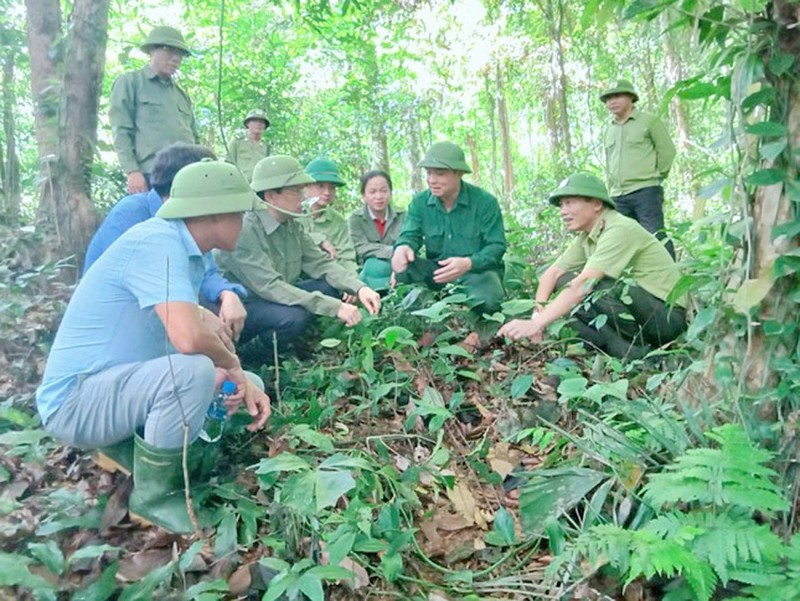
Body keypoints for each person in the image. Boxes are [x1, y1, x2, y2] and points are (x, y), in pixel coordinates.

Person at [36, 160, 272, 533]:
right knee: (195, 372)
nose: (244, 222)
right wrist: (232, 367)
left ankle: (136, 448)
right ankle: (154, 497)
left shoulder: (188, 251)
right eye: (239, 213)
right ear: (214, 213)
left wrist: (235, 377)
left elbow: (179, 335)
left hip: (117, 384)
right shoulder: (158, 243)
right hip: (75, 402)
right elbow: (188, 339)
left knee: (234, 382)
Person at [498, 173, 687, 359]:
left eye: (569, 202)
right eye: (561, 205)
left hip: (666, 317)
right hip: (643, 310)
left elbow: (583, 285)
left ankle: (639, 353)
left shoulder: (619, 229)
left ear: (596, 204)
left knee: (594, 285)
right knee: (564, 282)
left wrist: (537, 323)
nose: (563, 211)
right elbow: (553, 273)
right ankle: (624, 352)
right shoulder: (589, 235)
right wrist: (536, 317)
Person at [215, 155, 381, 361]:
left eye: (303, 190)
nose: (303, 197)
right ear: (271, 195)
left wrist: (359, 287)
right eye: (296, 191)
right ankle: (250, 356)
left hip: (274, 297)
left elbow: (321, 263)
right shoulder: (245, 230)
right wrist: (335, 307)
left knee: (330, 287)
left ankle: (298, 343)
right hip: (244, 306)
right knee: (293, 318)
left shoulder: (291, 224)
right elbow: (271, 287)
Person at [84, 143, 248, 343]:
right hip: (122, 319)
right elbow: (133, 285)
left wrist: (226, 293)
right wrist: (198, 313)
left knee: (226, 314)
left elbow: (206, 271)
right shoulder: (132, 213)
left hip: (172, 303)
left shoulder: (192, 221)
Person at [391, 141, 507, 312]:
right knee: (404, 271)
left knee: (489, 300)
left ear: (458, 173)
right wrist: (403, 248)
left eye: (440, 174)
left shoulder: (485, 202)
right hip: (436, 272)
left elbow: (496, 246)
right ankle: (424, 306)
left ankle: (471, 319)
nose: (432, 180)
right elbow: (410, 235)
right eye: (428, 173)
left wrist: (468, 263)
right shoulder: (420, 203)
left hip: (475, 272)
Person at [110, 26, 199, 194]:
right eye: (169, 51)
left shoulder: (181, 94)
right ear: (152, 50)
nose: (176, 59)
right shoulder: (131, 82)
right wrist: (132, 171)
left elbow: (194, 136)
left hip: (187, 175)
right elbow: (121, 129)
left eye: (180, 54)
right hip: (152, 174)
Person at [600, 79, 676, 258]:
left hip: (645, 190)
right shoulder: (609, 129)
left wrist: (656, 176)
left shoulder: (649, 121)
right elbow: (609, 161)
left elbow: (667, 151)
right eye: (608, 98)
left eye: (617, 96)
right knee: (621, 239)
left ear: (631, 98)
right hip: (618, 195)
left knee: (655, 234)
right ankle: (637, 274)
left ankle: (671, 272)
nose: (612, 101)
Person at [348, 170, 406, 291]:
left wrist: (399, 264)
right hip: (368, 272)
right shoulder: (355, 219)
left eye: (384, 191)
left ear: (390, 192)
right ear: (364, 195)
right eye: (372, 192)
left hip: (400, 266)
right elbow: (360, 248)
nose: (379, 196)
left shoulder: (403, 216)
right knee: (374, 266)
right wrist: (394, 251)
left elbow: (408, 244)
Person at [301, 157, 359, 273]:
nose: (327, 192)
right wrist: (319, 240)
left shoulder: (338, 221)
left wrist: (353, 281)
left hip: (327, 277)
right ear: (305, 186)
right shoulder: (292, 214)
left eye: (332, 187)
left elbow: (346, 258)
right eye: (320, 186)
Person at [226, 109, 270, 182]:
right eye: (255, 121)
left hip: (259, 184)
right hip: (240, 183)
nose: (258, 124)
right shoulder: (237, 142)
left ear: (265, 126)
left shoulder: (267, 146)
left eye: (261, 122)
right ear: (247, 124)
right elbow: (228, 164)